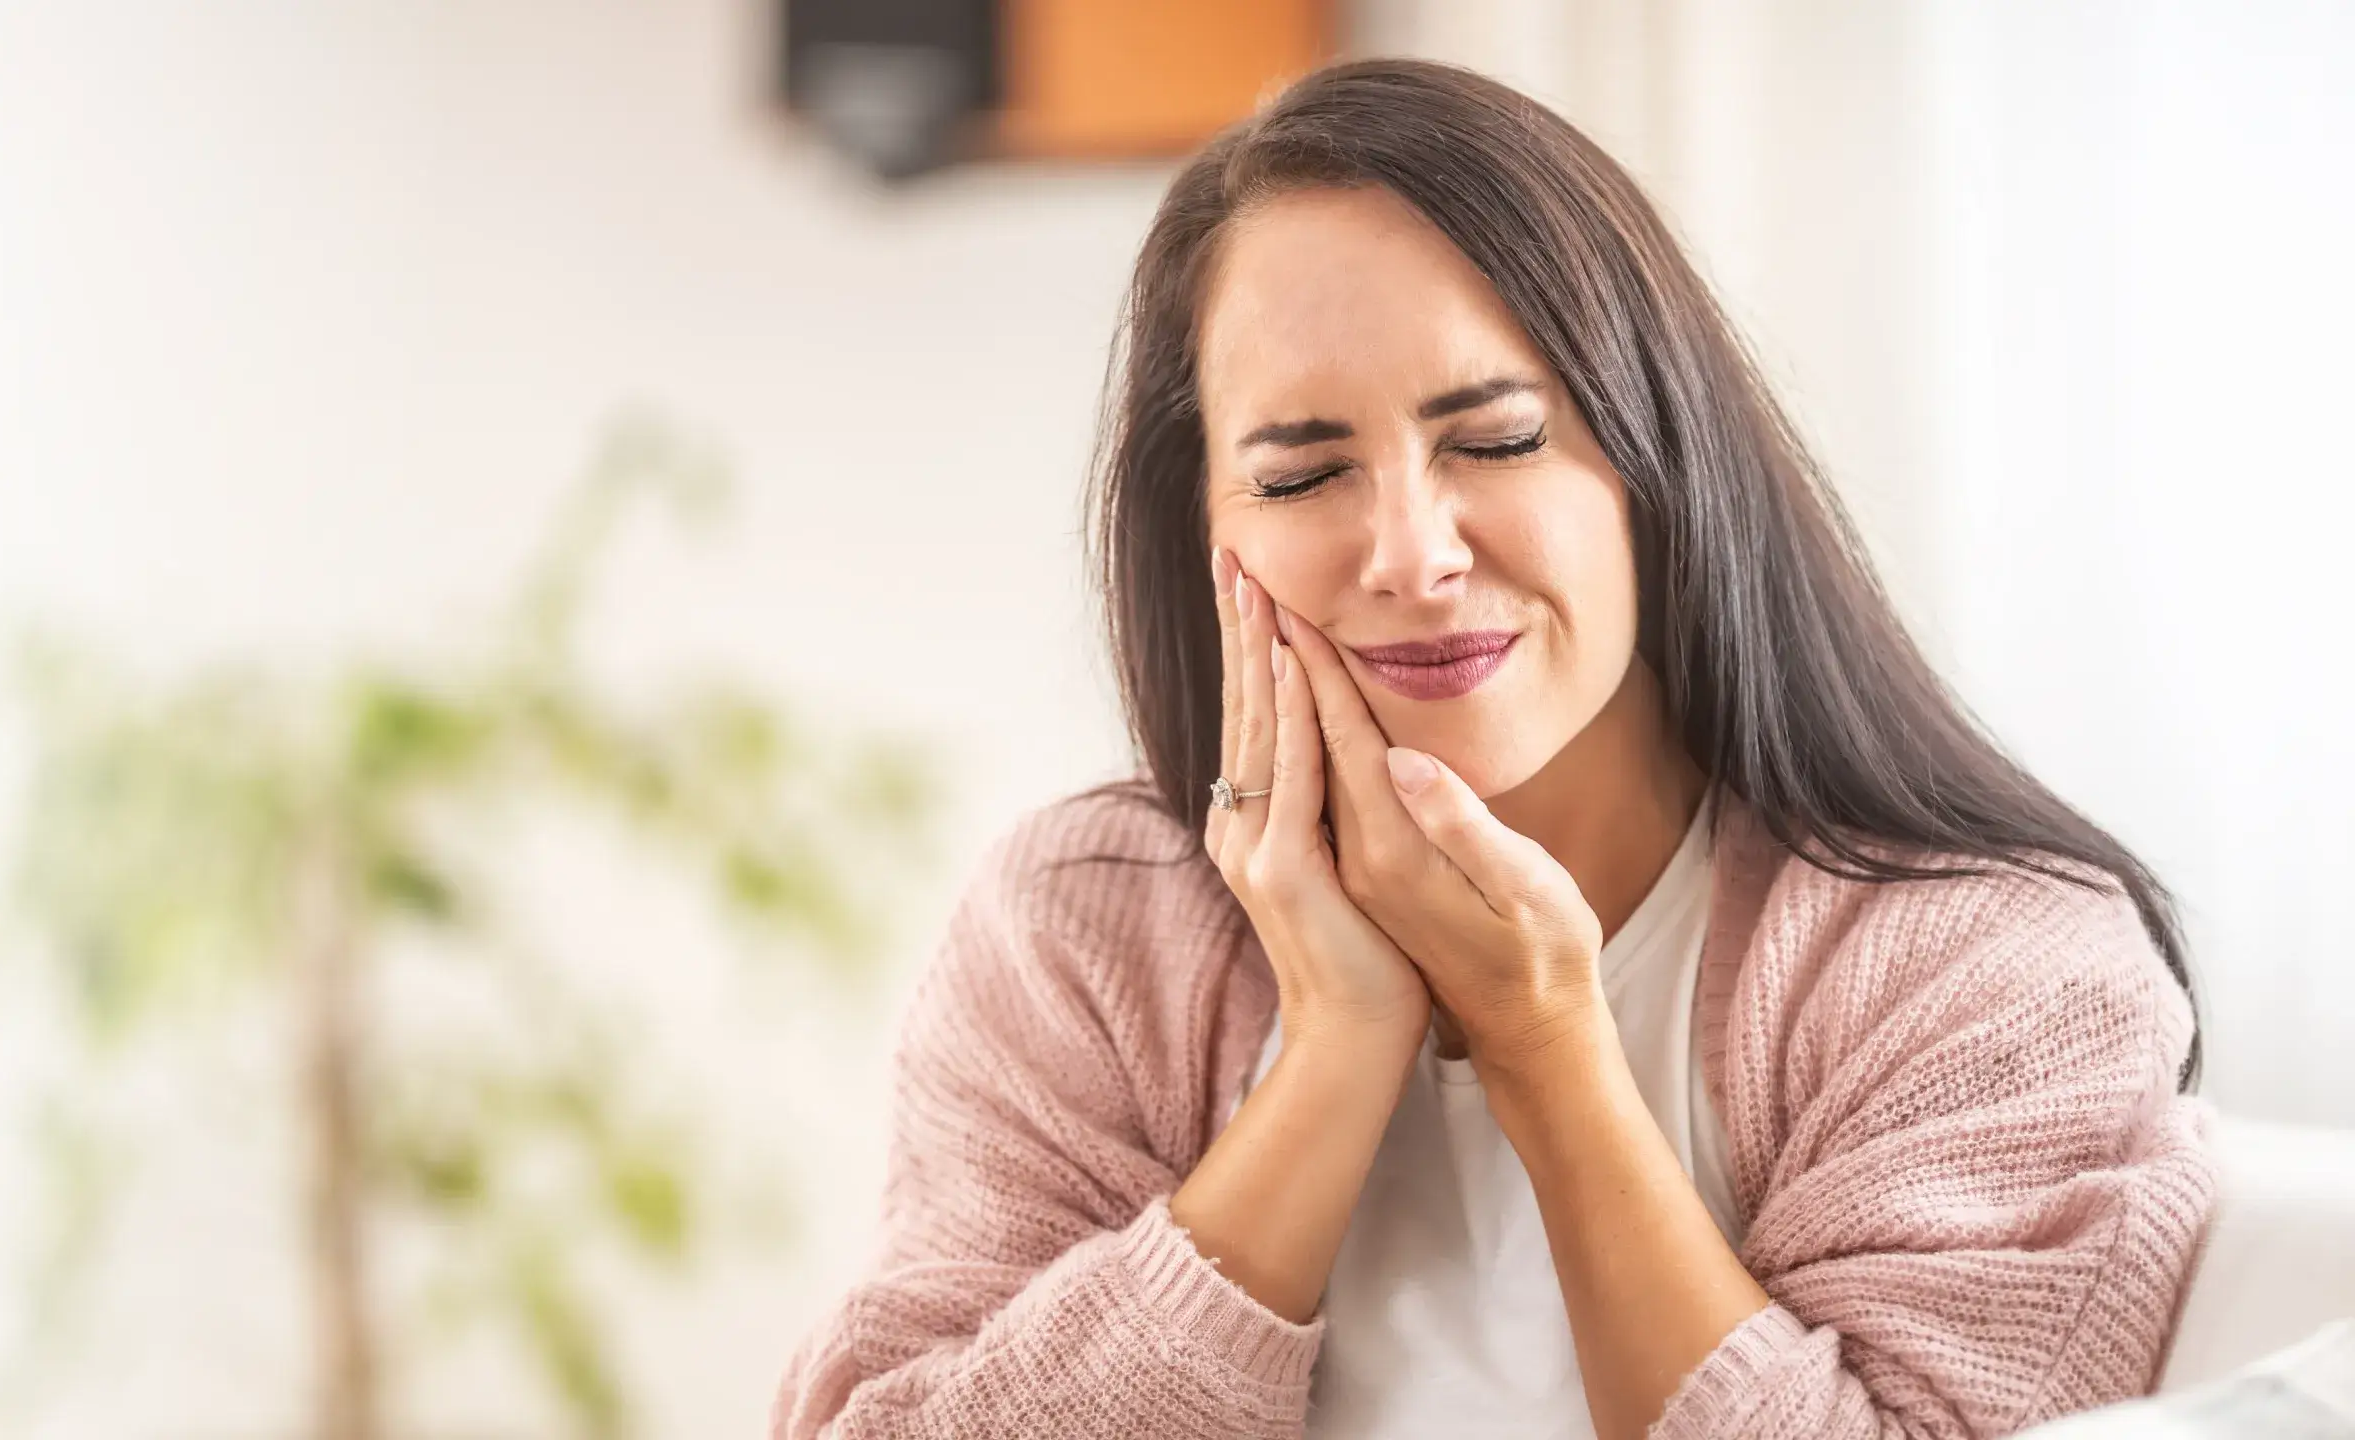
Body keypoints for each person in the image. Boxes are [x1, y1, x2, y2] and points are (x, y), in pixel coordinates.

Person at [771, 58, 2215, 1440]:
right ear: (1206, 530)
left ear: (1658, 459)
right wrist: (1332, 1054)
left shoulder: (1990, 971)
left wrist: (1543, 1046)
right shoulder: (1087, 930)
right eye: (1305, 472)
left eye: (1500, 440)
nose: (1410, 552)